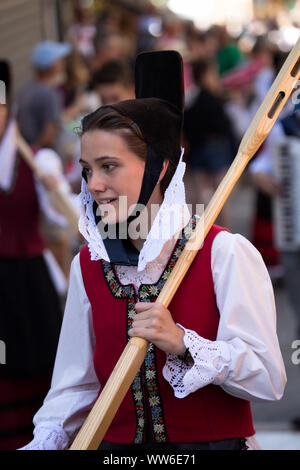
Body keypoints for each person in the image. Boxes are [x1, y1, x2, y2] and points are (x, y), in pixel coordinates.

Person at [20, 51, 286, 451]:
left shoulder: (222, 252)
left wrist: (182, 342)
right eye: (88, 169)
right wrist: (45, 442)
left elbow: (268, 378)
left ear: (158, 169)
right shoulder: (89, 265)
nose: (93, 184)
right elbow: (73, 387)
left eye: (109, 166)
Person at [0, 60, 63, 450]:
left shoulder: (39, 160)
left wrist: (57, 188)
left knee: (35, 365)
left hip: (26, 281)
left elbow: (67, 216)